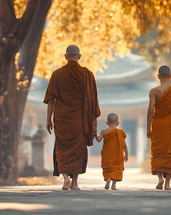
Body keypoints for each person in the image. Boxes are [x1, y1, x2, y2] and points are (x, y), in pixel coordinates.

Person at [44, 45, 101, 190]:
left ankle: (65, 179)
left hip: (62, 119)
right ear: (79, 56)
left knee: (61, 148)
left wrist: (48, 119)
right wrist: (93, 122)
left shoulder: (57, 74)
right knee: (78, 150)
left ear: (65, 56)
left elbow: (51, 100)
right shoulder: (87, 75)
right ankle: (75, 182)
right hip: (80, 120)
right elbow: (93, 101)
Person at [95, 113, 128, 190]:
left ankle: (108, 178)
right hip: (118, 157)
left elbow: (98, 140)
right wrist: (126, 154)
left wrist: (95, 133)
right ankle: (113, 185)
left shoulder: (104, 131)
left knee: (108, 169)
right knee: (116, 169)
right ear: (118, 123)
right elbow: (125, 146)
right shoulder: (121, 133)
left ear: (107, 123)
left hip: (107, 156)